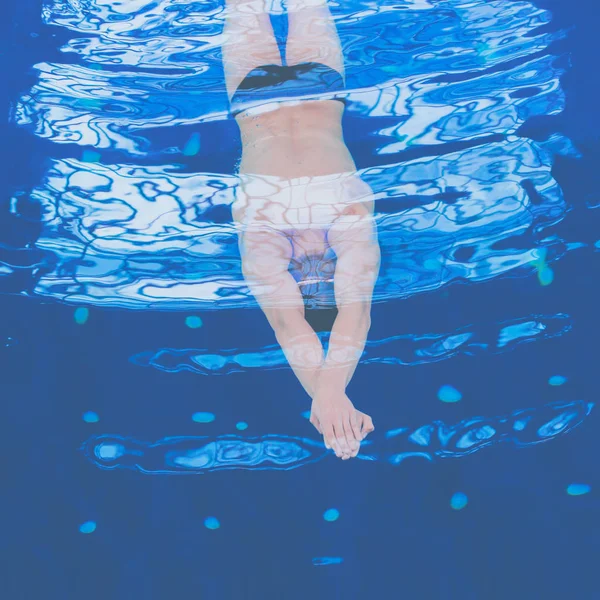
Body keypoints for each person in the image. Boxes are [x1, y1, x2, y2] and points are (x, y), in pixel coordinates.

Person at [222, 0, 380, 460]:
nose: (311, 282)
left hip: (253, 101)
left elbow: (286, 325)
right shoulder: (352, 230)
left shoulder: (264, 242)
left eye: (303, 288)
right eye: (323, 287)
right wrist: (332, 396)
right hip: (321, 92)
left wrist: (325, 398)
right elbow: (358, 315)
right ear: (332, 280)